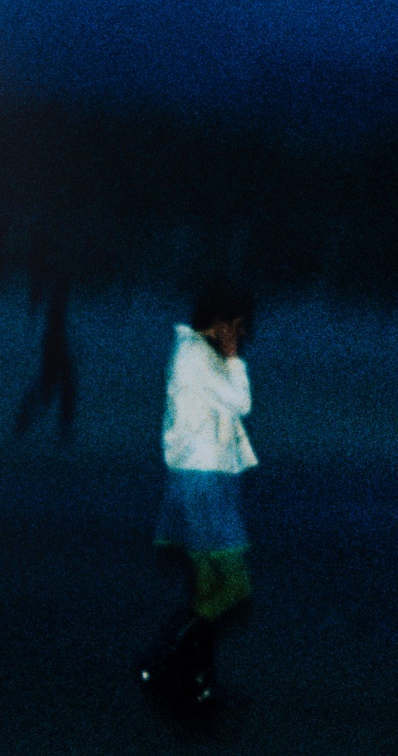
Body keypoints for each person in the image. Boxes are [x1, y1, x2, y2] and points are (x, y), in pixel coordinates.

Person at [140, 282, 257, 717]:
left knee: (208, 590)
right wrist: (233, 359)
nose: (241, 336)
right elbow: (240, 402)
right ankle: (161, 659)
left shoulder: (195, 354)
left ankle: (198, 684)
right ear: (220, 322)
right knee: (234, 588)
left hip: (201, 479)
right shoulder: (196, 357)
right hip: (204, 482)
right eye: (238, 327)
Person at [13, 279, 77, 442]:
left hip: (54, 341)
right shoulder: (58, 290)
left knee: (53, 384)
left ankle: (25, 422)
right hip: (55, 342)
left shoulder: (56, 291)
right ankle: (63, 428)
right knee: (55, 384)